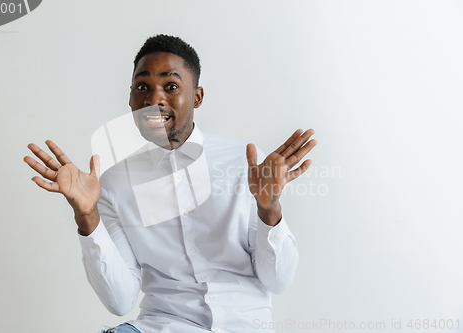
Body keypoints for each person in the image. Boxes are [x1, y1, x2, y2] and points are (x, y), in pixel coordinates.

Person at [23, 34, 317, 333]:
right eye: (142, 87)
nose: (153, 99)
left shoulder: (247, 164)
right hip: (164, 326)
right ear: (130, 99)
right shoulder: (113, 184)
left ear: (197, 97)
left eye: (171, 86)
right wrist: (87, 217)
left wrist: (269, 208)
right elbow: (120, 301)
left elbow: (277, 281)